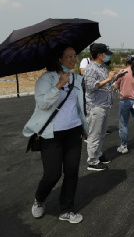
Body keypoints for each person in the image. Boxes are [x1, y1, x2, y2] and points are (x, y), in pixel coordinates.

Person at [23, 44, 88, 224]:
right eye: (69, 56)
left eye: (75, 56)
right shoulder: (46, 79)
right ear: (59, 59)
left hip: (73, 130)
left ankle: (67, 209)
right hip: (52, 133)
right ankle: (39, 199)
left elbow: (79, 106)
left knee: (72, 172)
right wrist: (58, 85)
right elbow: (42, 104)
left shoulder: (77, 79)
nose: (74, 59)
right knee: (52, 174)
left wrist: (84, 127)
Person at [84, 43, 124, 171]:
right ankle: (92, 161)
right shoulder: (91, 68)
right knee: (94, 134)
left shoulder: (102, 67)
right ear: (100, 55)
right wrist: (109, 78)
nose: (107, 56)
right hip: (96, 106)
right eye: (105, 54)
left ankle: (98, 154)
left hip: (104, 104)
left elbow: (105, 84)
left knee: (101, 134)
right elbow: (91, 86)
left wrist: (116, 77)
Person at [113, 55, 134, 154]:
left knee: (123, 124)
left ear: (126, 62)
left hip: (125, 101)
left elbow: (116, 87)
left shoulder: (123, 72)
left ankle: (124, 146)